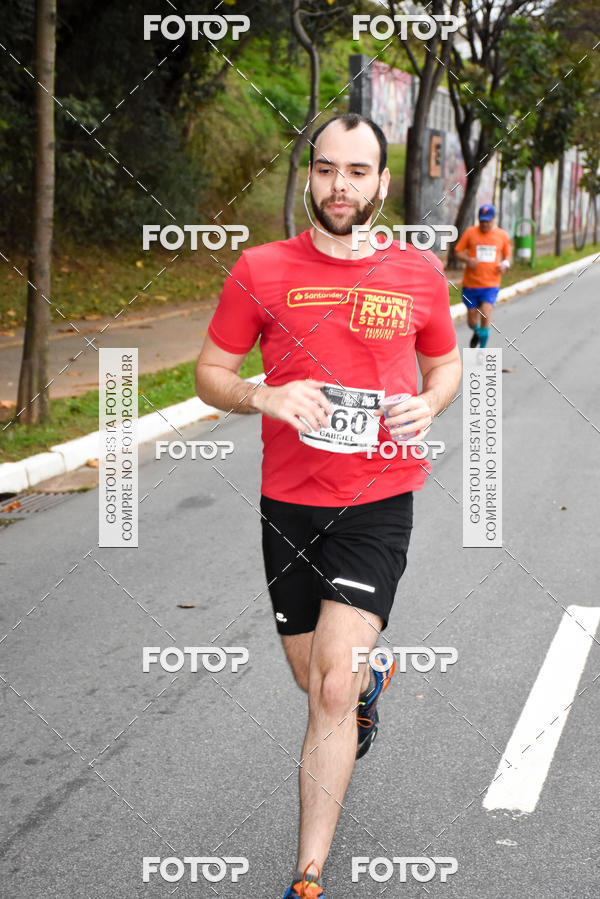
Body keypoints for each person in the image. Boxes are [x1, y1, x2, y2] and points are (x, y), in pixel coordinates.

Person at [195, 113, 461, 899]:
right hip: (289, 503)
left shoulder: (418, 274)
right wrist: (262, 394)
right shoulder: (261, 267)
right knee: (314, 677)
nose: (339, 186)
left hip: (378, 499)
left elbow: (443, 366)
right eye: (325, 170)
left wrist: (430, 404)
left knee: (333, 686)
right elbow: (211, 371)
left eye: (356, 172)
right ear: (308, 177)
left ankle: (307, 876)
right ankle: (364, 693)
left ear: (383, 183)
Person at [454, 204, 512, 348]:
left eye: (488, 221)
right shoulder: (470, 232)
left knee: (485, 314)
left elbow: (508, 256)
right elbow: (458, 251)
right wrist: (468, 259)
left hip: (491, 284)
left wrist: (505, 265)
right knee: (471, 321)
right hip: (471, 284)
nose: (485, 224)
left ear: (493, 219)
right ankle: (477, 332)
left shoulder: (502, 235)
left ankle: (483, 352)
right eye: (482, 221)